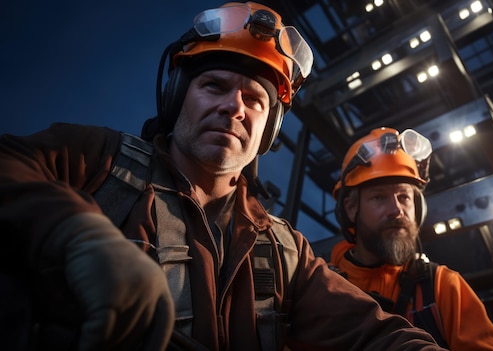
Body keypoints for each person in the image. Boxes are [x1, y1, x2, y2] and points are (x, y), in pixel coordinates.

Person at [0, 2, 450, 351]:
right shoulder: (95, 162)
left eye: (254, 99)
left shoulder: (285, 250)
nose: (234, 107)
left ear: (268, 131)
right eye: (214, 86)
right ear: (178, 96)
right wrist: (73, 233)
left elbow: (370, 331)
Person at [330, 127, 493, 351]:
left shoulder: (444, 286)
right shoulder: (321, 286)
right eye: (379, 197)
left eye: (404, 196)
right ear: (350, 207)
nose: (396, 210)